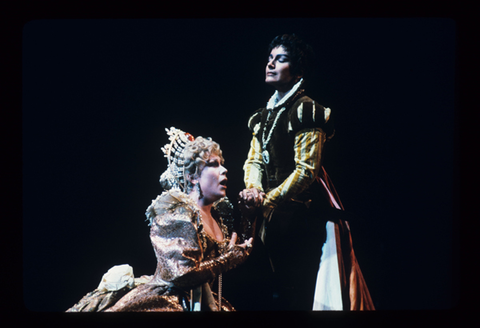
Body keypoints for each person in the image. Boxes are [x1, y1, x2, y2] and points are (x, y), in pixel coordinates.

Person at [242, 34, 375, 310]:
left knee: (300, 294)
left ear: (298, 70)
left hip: (303, 217)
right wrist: (254, 189)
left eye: (280, 59)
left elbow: (306, 171)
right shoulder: (262, 116)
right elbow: (254, 160)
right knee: (271, 291)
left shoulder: (306, 110)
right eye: (269, 58)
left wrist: (268, 200)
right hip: (271, 215)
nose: (270, 64)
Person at [66, 127, 258, 312]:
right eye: (213, 164)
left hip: (203, 302)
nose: (224, 170)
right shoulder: (177, 211)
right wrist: (228, 260)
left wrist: (249, 215)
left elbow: (239, 251)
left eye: (222, 163)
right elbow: (182, 275)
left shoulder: (216, 217)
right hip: (170, 300)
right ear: (192, 176)